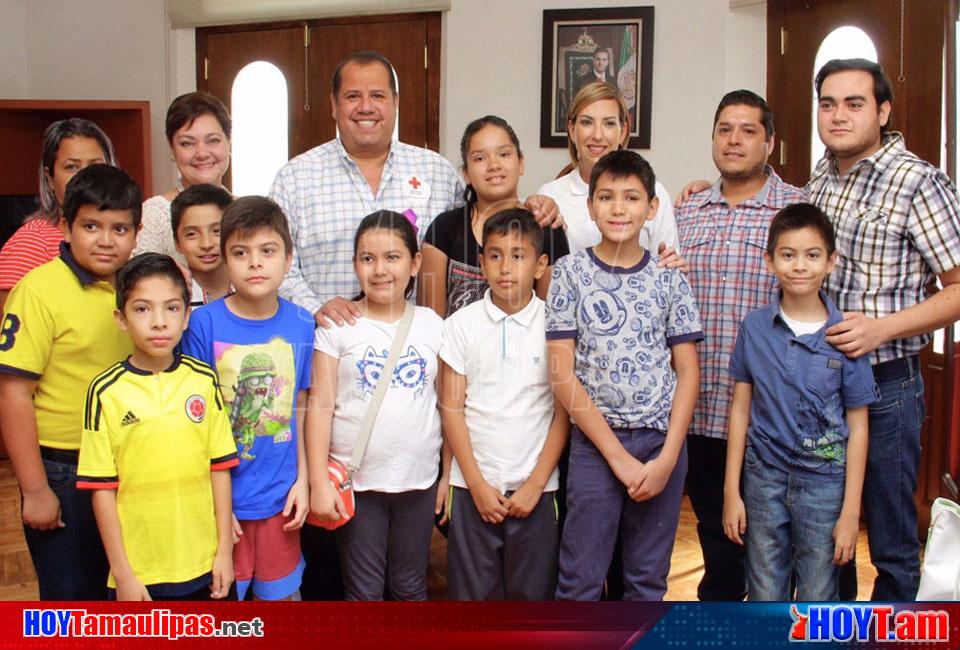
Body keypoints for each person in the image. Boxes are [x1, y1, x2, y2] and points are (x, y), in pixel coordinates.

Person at [808, 58, 960, 601]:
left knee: (893, 538)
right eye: (828, 104)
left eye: (854, 104)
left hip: (886, 384)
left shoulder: (917, 181)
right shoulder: (821, 175)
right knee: (830, 528)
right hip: (820, 386)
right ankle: (840, 630)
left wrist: (882, 329)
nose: (839, 116)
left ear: (883, 110)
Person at [271, 50, 560, 328]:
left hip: (419, 355)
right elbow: (276, 264)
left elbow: (486, 215)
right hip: (328, 342)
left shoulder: (436, 171)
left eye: (377, 95)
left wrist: (534, 206)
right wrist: (315, 310)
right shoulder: (296, 178)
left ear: (395, 102)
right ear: (334, 104)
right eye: (352, 96)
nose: (366, 107)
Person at [545, 150, 702, 600]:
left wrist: (669, 457)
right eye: (607, 197)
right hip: (597, 445)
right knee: (580, 580)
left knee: (647, 580)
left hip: (660, 444)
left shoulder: (670, 279)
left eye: (632, 197)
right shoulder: (570, 274)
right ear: (590, 206)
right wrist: (615, 455)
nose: (618, 208)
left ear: (652, 208)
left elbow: (688, 372)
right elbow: (561, 372)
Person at [674, 90, 806, 601]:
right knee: (715, 534)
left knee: (775, 545)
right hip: (702, 409)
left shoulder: (795, 209)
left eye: (748, 130)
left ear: (769, 142)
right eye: (725, 129)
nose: (734, 140)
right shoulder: (687, 213)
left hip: (771, 414)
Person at [0, 164, 141, 600]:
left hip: (128, 463)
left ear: (136, 233)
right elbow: (13, 393)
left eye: (119, 228)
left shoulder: (136, 288)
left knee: (122, 589)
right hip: (66, 468)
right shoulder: (38, 290)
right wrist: (36, 489)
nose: (105, 239)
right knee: (72, 599)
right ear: (65, 226)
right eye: (91, 226)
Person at [723, 203, 876, 600]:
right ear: (769, 260)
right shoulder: (754, 328)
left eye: (812, 255)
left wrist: (850, 513)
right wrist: (731, 492)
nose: (799, 266)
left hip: (825, 486)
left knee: (817, 593)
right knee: (763, 587)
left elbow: (858, 427)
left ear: (831, 262)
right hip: (763, 478)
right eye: (787, 255)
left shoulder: (846, 335)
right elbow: (740, 412)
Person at [77, 253, 238, 601]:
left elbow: (220, 469)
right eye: (142, 309)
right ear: (121, 318)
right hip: (139, 572)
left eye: (171, 308)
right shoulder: (105, 391)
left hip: (204, 564)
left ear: (186, 316)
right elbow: (102, 489)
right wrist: (123, 574)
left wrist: (224, 551)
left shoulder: (204, 380)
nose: (159, 322)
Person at [181, 196, 313, 601]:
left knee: (281, 603)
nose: (254, 263)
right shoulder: (203, 323)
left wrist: (304, 481)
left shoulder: (302, 322)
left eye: (267, 251)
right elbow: (192, 422)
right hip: (223, 507)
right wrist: (212, 502)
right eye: (240, 252)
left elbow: (302, 409)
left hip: (281, 501)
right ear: (224, 259)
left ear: (288, 259)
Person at [307, 211, 443, 601]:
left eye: (393, 257)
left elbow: (449, 405)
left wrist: (447, 475)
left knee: (410, 586)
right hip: (357, 483)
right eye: (368, 258)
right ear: (355, 265)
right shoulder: (337, 327)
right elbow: (320, 407)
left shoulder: (433, 324)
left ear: (415, 263)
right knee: (363, 591)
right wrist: (318, 481)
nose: (380, 269)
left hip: (418, 480)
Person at [440, 209, 569, 600]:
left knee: (533, 602)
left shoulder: (556, 325)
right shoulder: (460, 325)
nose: (505, 267)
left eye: (518, 255)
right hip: (471, 488)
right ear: (481, 263)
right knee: (471, 600)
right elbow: (451, 409)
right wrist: (476, 484)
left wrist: (535, 484)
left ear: (541, 264)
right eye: (494, 255)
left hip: (538, 491)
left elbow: (563, 412)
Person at [421, 115, 569, 317]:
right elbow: (430, 322)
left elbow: (550, 319)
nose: (493, 165)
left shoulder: (546, 227)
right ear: (466, 173)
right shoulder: (444, 228)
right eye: (480, 158)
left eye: (504, 154)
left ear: (521, 162)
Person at [539, 82, 677, 255]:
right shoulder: (550, 195)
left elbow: (667, 265)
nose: (597, 135)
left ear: (623, 131)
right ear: (572, 129)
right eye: (587, 122)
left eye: (609, 124)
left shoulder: (655, 192)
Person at [0, 118, 117, 311]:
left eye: (95, 165)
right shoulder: (31, 242)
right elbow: (13, 332)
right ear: (50, 178)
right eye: (72, 167)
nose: (85, 177)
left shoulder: (123, 234)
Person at [135, 92, 232, 264]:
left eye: (213, 141)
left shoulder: (242, 209)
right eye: (187, 143)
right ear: (172, 149)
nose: (202, 153)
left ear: (229, 142)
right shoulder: (153, 216)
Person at [170, 183, 234, 307]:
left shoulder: (253, 290)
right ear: (177, 242)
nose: (206, 244)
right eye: (192, 234)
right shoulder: (173, 301)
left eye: (217, 231)